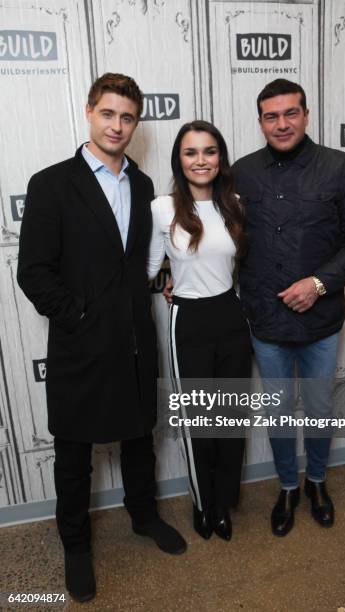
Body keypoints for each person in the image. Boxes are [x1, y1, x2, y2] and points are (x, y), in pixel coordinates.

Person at [17, 73, 186, 603]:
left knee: (140, 438)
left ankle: (143, 516)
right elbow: (34, 272)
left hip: (135, 339)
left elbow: (138, 264)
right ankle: (75, 544)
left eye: (128, 117)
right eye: (108, 114)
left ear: (136, 122)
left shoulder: (141, 185)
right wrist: (80, 320)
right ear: (90, 112)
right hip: (80, 343)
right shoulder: (51, 183)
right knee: (73, 453)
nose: (117, 126)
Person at [232, 79, 345, 536]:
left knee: (316, 407)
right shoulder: (240, 172)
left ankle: (317, 481)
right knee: (276, 413)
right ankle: (288, 487)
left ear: (306, 115)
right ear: (260, 123)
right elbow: (216, 237)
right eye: (271, 116)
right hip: (265, 321)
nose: (282, 123)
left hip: (321, 321)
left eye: (290, 113)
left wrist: (318, 283)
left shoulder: (341, 167)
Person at [147, 120, 252, 542]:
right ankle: (203, 502)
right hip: (188, 320)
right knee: (199, 420)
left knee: (229, 417)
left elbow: (236, 267)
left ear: (220, 158)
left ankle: (224, 503)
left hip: (230, 316)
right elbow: (149, 269)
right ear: (179, 160)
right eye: (191, 152)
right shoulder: (162, 208)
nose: (200, 160)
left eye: (209, 151)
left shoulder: (235, 205)